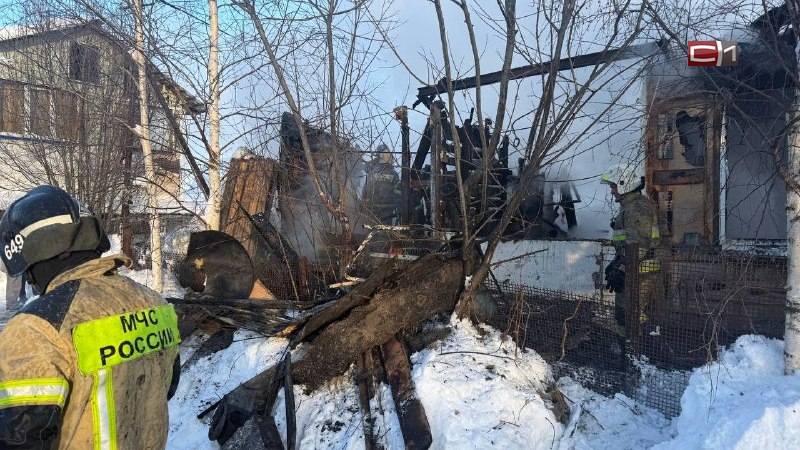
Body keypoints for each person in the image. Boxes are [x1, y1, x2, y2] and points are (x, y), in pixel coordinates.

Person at [0, 185, 181, 449]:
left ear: (31, 260)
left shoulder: (36, 329)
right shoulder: (154, 302)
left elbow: (16, 440)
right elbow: (167, 387)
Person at [601, 164, 661, 327]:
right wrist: (617, 263)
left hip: (639, 272)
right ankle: (629, 347)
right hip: (634, 269)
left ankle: (637, 348)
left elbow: (637, 245)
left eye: (613, 186)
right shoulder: (630, 206)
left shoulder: (636, 209)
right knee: (627, 313)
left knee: (632, 314)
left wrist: (621, 269)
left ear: (624, 184)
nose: (612, 191)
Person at [362, 143, 400, 224]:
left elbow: (367, 188)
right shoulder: (394, 174)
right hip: (388, 208)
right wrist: (398, 205)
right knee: (385, 230)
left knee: (373, 227)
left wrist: (365, 201)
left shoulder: (373, 172)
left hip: (373, 206)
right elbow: (397, 192)